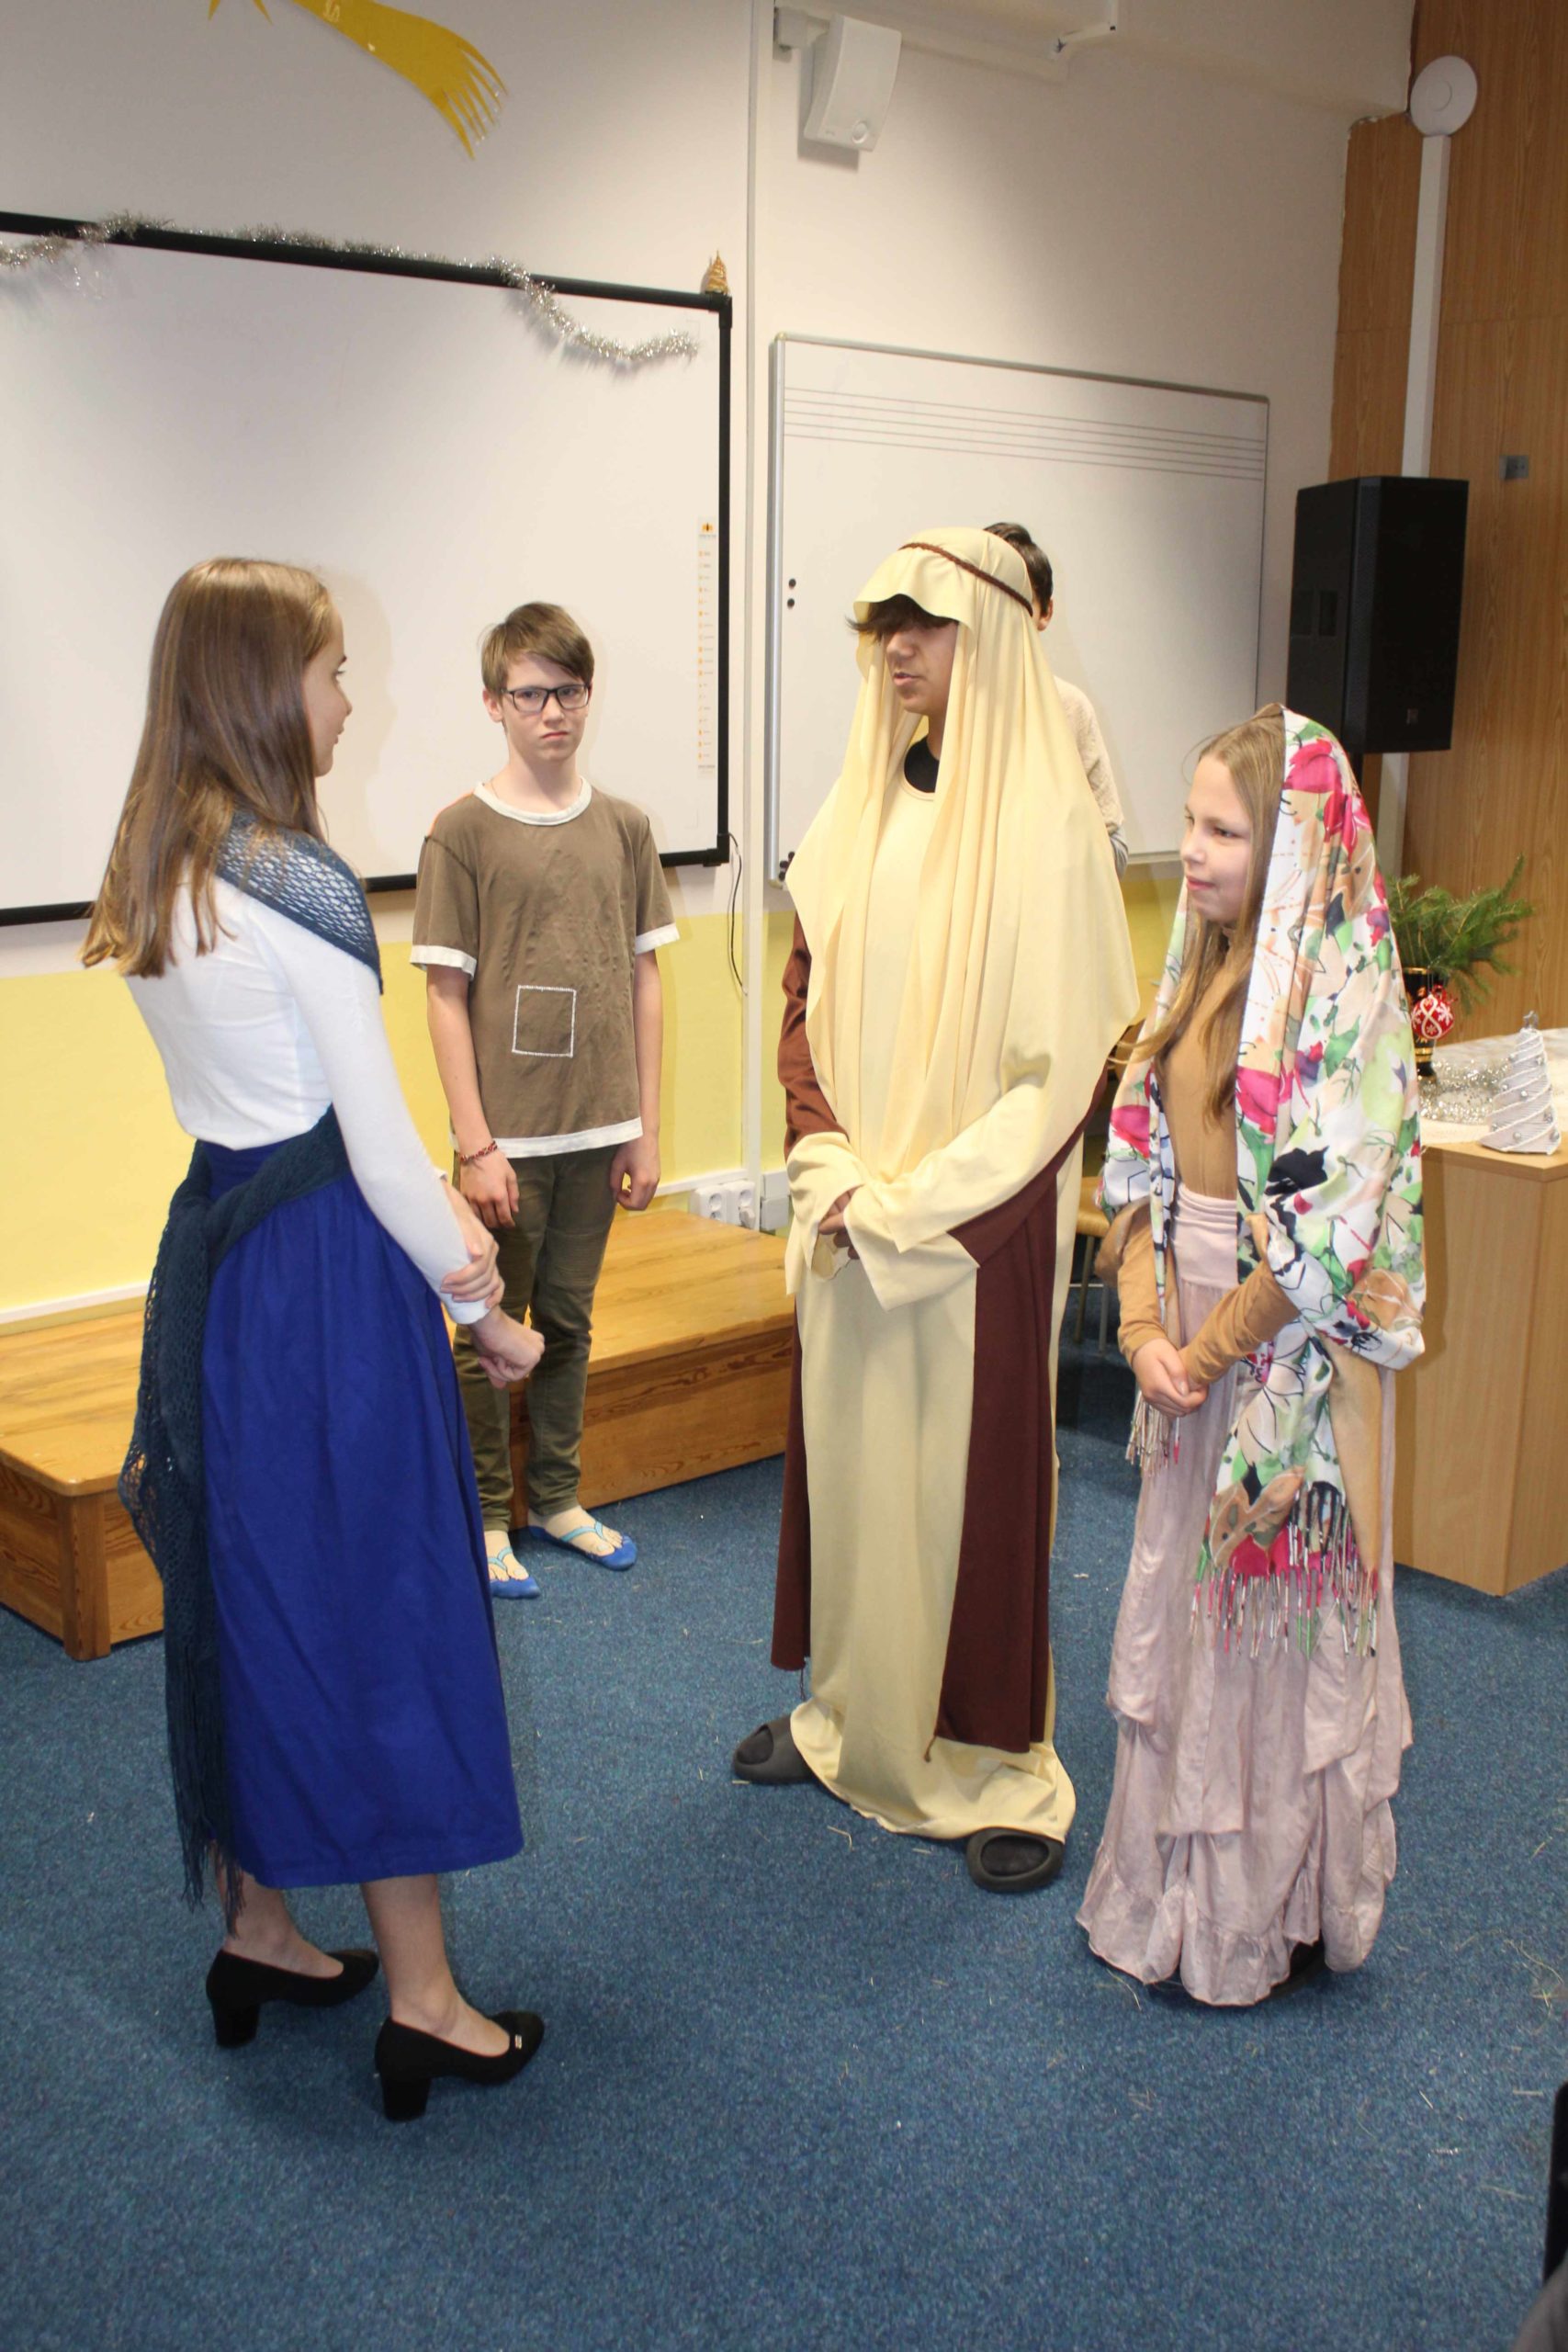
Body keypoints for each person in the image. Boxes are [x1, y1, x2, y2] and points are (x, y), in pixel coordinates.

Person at [85, 558, 546, 2120]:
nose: (349, 697)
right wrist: (487, 1314)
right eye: (334, 669)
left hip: (223, 1277)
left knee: (258, 1596)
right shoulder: (298, 881)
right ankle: (423, 2001)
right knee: (383, 1609)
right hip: (334, 1282)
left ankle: (260, 1928)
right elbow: (384, 1156)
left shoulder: (156, 862)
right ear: (262, 687)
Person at [733, 526, 1138, 1892]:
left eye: (925, 622)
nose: (896, 647)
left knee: (964, 1490)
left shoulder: (1048, 832)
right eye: (882, 625)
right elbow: (803, 999)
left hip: (974, 1230)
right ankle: (847, 1715)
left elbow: (1058, 1073)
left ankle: (984, 1762)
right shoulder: (861, 804)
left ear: (995, 634)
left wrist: (917, 1204)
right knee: (852, 1472)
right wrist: (830, 1167)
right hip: (851, 1209)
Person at [1078, 704, 1424, 2004]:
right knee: (1187, 1621)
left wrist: (1207, 1348)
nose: (1193, 851)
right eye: (1188, 823)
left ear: (1291, 849)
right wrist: (1141, 1331)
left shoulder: (1343, 1003)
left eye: (1223, 831)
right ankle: (1168, 1898)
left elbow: (1329, 1231)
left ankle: (1256, 1917)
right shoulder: (1194, 970)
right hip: (1189, 1346)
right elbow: (1136, 1169)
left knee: (1265, 1637)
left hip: (1284, 1366)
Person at [413, 603, 678, 1594]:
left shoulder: (626, 828)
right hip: (505, 1142)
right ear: (494, 703)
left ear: (588, 696)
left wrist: (645, 1128)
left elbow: (645, 978)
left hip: (600, 1130)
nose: (552, 712)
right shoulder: (460, 832)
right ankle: (485, 1516)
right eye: (530, 695)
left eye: (567, 691)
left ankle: (557, 1497)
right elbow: (444, 993)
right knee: (487, 1322)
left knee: (567, 1318)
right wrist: (476, 1144)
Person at [987, 520, 1128, 873]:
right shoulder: (939, 705)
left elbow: (1115, 852)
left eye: (1016, 603)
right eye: (987, 601)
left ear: (1045, 612)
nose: (999, 618)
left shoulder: (1069, 707)